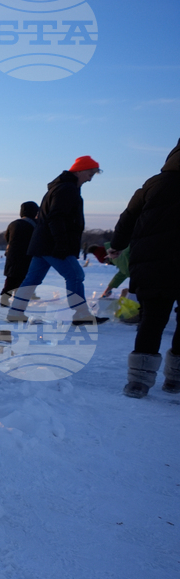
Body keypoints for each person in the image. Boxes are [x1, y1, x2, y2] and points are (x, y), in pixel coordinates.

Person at [108, 138, 180, 398]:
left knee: (152, 318)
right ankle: (175, 379)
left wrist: (117, 245)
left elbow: (127, 217)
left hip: (153, 262)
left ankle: (138, 382)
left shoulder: (154, 184)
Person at [8, 156, 106, 325]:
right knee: (75, 275)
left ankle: (15, 312)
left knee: (32, 279)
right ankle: (81, 314)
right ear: (81, 170)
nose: (92, 176)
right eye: (91, 172)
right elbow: (56, 217)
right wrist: (61, 243)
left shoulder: (64, 187)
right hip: (52, 244)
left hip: (44, 243)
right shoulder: (67, 189)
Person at [0, 201, 39, 307]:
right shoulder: (35, 224)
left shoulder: (13, 223)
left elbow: (7, 237)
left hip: (12, 255)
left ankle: (5, 298)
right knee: (24, 278)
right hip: (27, 256)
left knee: (11, 278)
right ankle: (19, 299)